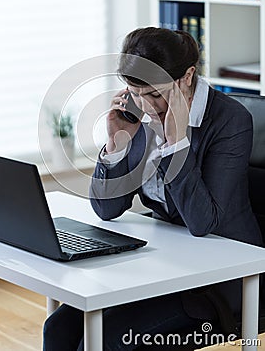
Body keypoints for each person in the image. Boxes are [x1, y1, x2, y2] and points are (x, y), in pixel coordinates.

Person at [43, 27, 263, 351]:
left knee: (108, 340)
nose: (145, 107)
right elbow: (107, 209)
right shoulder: (140, 118)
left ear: (187, 76)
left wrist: (176, 142)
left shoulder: (230, 121)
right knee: (59, 327)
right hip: (160, 266)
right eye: (135, 93)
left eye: (155, 95)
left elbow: (203, 223)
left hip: (217, 280)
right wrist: (117, 143)